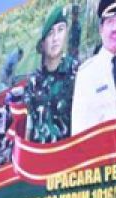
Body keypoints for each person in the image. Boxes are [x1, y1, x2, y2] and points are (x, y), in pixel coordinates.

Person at [71, 0, 116, 135]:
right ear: (101, 29)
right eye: (110, 22)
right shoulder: (86, 74)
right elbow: (78, 131)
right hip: (101, 153)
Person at [25, 6, 80, 143]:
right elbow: (30, 126)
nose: (55, 38)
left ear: (66, 33)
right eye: (50, 33)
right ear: (43, 44)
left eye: (60, 30)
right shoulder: (34, 81)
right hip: (39, 158)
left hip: (67, 157)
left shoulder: (77, 73)